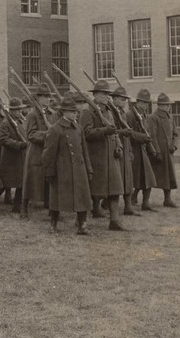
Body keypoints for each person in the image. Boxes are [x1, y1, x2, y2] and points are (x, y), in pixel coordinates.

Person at [41, 96, 93, 235]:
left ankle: (82, 225)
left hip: (79, 169)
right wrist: (49, 172)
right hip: (62, 170)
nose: (76, 113)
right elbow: (49, 153)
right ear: (64, 112)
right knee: (56, 199)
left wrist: (89, 169)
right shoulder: (55, 129)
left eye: (76, 111)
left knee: (82, 197)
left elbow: (84, 151)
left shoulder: (78, 128)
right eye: (72, 111)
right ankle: (53, 225)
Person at [80, 80, 127, 231]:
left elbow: (114, 130)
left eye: (108, 94)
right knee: (92, 190)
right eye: (104, 94)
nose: (108, 97)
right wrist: (104, 131)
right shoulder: (88, 111)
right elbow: (86, 133)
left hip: (111, 156)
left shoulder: (108, 111)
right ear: (96, 95)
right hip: (97, 157)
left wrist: (119, 145)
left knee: (115, 189)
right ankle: (81, 220)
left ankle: (114, 220)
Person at [20, 83, 56, 219]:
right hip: (35, 152)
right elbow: (30, 135)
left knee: (50, 181)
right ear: (38, 98)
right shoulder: (32, 114)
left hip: (48, 152)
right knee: (30, 181)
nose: (48, 99)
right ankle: (23, 209)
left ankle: (52, 210)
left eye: (49, 96)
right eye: (45, 97)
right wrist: (47, 135)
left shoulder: (52, 114)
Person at [110, 87, 142, 217]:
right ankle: (107, 206)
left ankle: (128, 206)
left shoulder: (122, 112)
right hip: (115, 149)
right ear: (115, 99)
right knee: (116, 180)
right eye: (122, 100)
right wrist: (122, 132)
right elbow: (111, 131)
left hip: (125, 146)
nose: (124, 102)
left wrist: (129, 150)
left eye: (125, 100)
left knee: (128, 179)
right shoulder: (110, 112)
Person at [127, 90, 158, 211]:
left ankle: (145, 203)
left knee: (148, 178)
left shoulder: (144, 115)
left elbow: (147, 132)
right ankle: (127, 201)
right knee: (132, 180)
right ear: (137, 102)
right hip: (133, 150)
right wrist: (142, 137)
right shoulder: (129, 115)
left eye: (147, 103)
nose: (145, 105)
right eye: (143, 102)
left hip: (143, 150)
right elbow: (128, 133)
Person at [147, 93, 179, 207]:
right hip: (158, 153)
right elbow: (152, 136)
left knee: (169, 176)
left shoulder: (171, 117)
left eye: (168, 105)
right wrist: (157, 152)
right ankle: (136, 196)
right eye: (165, 105)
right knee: (150, 176)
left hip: (169, 153)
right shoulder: (153, 117)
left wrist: (174, 146)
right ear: (159, 105)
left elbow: (175, 134)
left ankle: (167, 199)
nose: (167, 107)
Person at [0, 97, 28, 213]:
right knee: (4, 182)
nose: (20, 112)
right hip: (9, 158)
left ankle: (17, 205)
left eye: (20, 110)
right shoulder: (5, 123)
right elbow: (4, 139)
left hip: (21, 157)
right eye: (18, 110)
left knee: (21, 183)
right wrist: (19, 145)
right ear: (11, 111)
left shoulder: (21, 122)